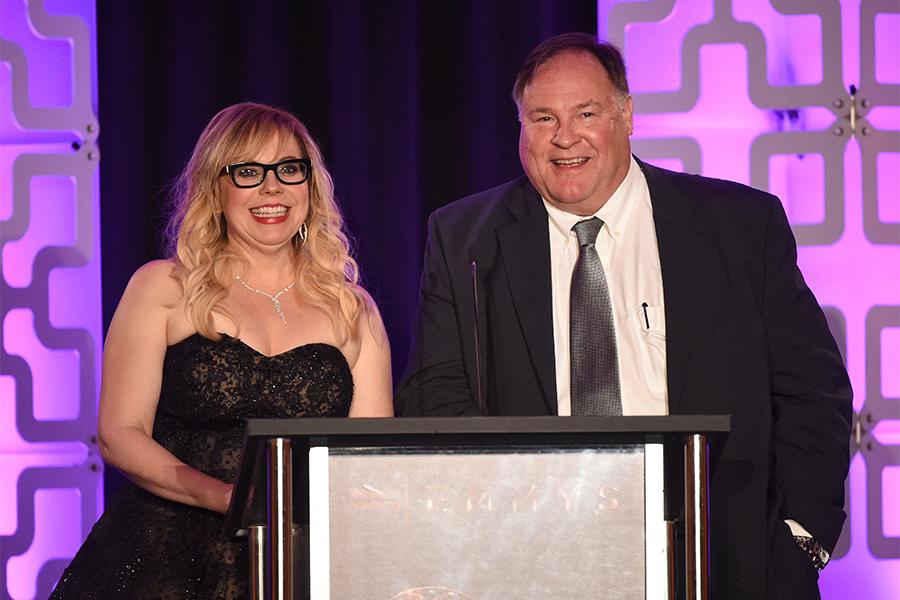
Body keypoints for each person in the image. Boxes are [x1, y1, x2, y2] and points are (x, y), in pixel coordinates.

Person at [395, 33, 851, 599]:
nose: (565, 137)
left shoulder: (739, 225)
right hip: (536, 562)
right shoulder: (466, 237)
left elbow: (812, 389)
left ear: (627, 114)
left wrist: (798, 540)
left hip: (724, 559)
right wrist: (494, 536)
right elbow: (435, 397)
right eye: (542, 118)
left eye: (586, 113)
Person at [50, 102, 393, 598]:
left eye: (288, 170)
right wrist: (231, 499)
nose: (272, 188)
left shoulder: (353, 309)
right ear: (216, 188)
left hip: (302, 562)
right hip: (164, 558)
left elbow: (368, 461)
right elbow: (120, 433)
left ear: (310, 187)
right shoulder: (162, 286)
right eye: (248, 172)